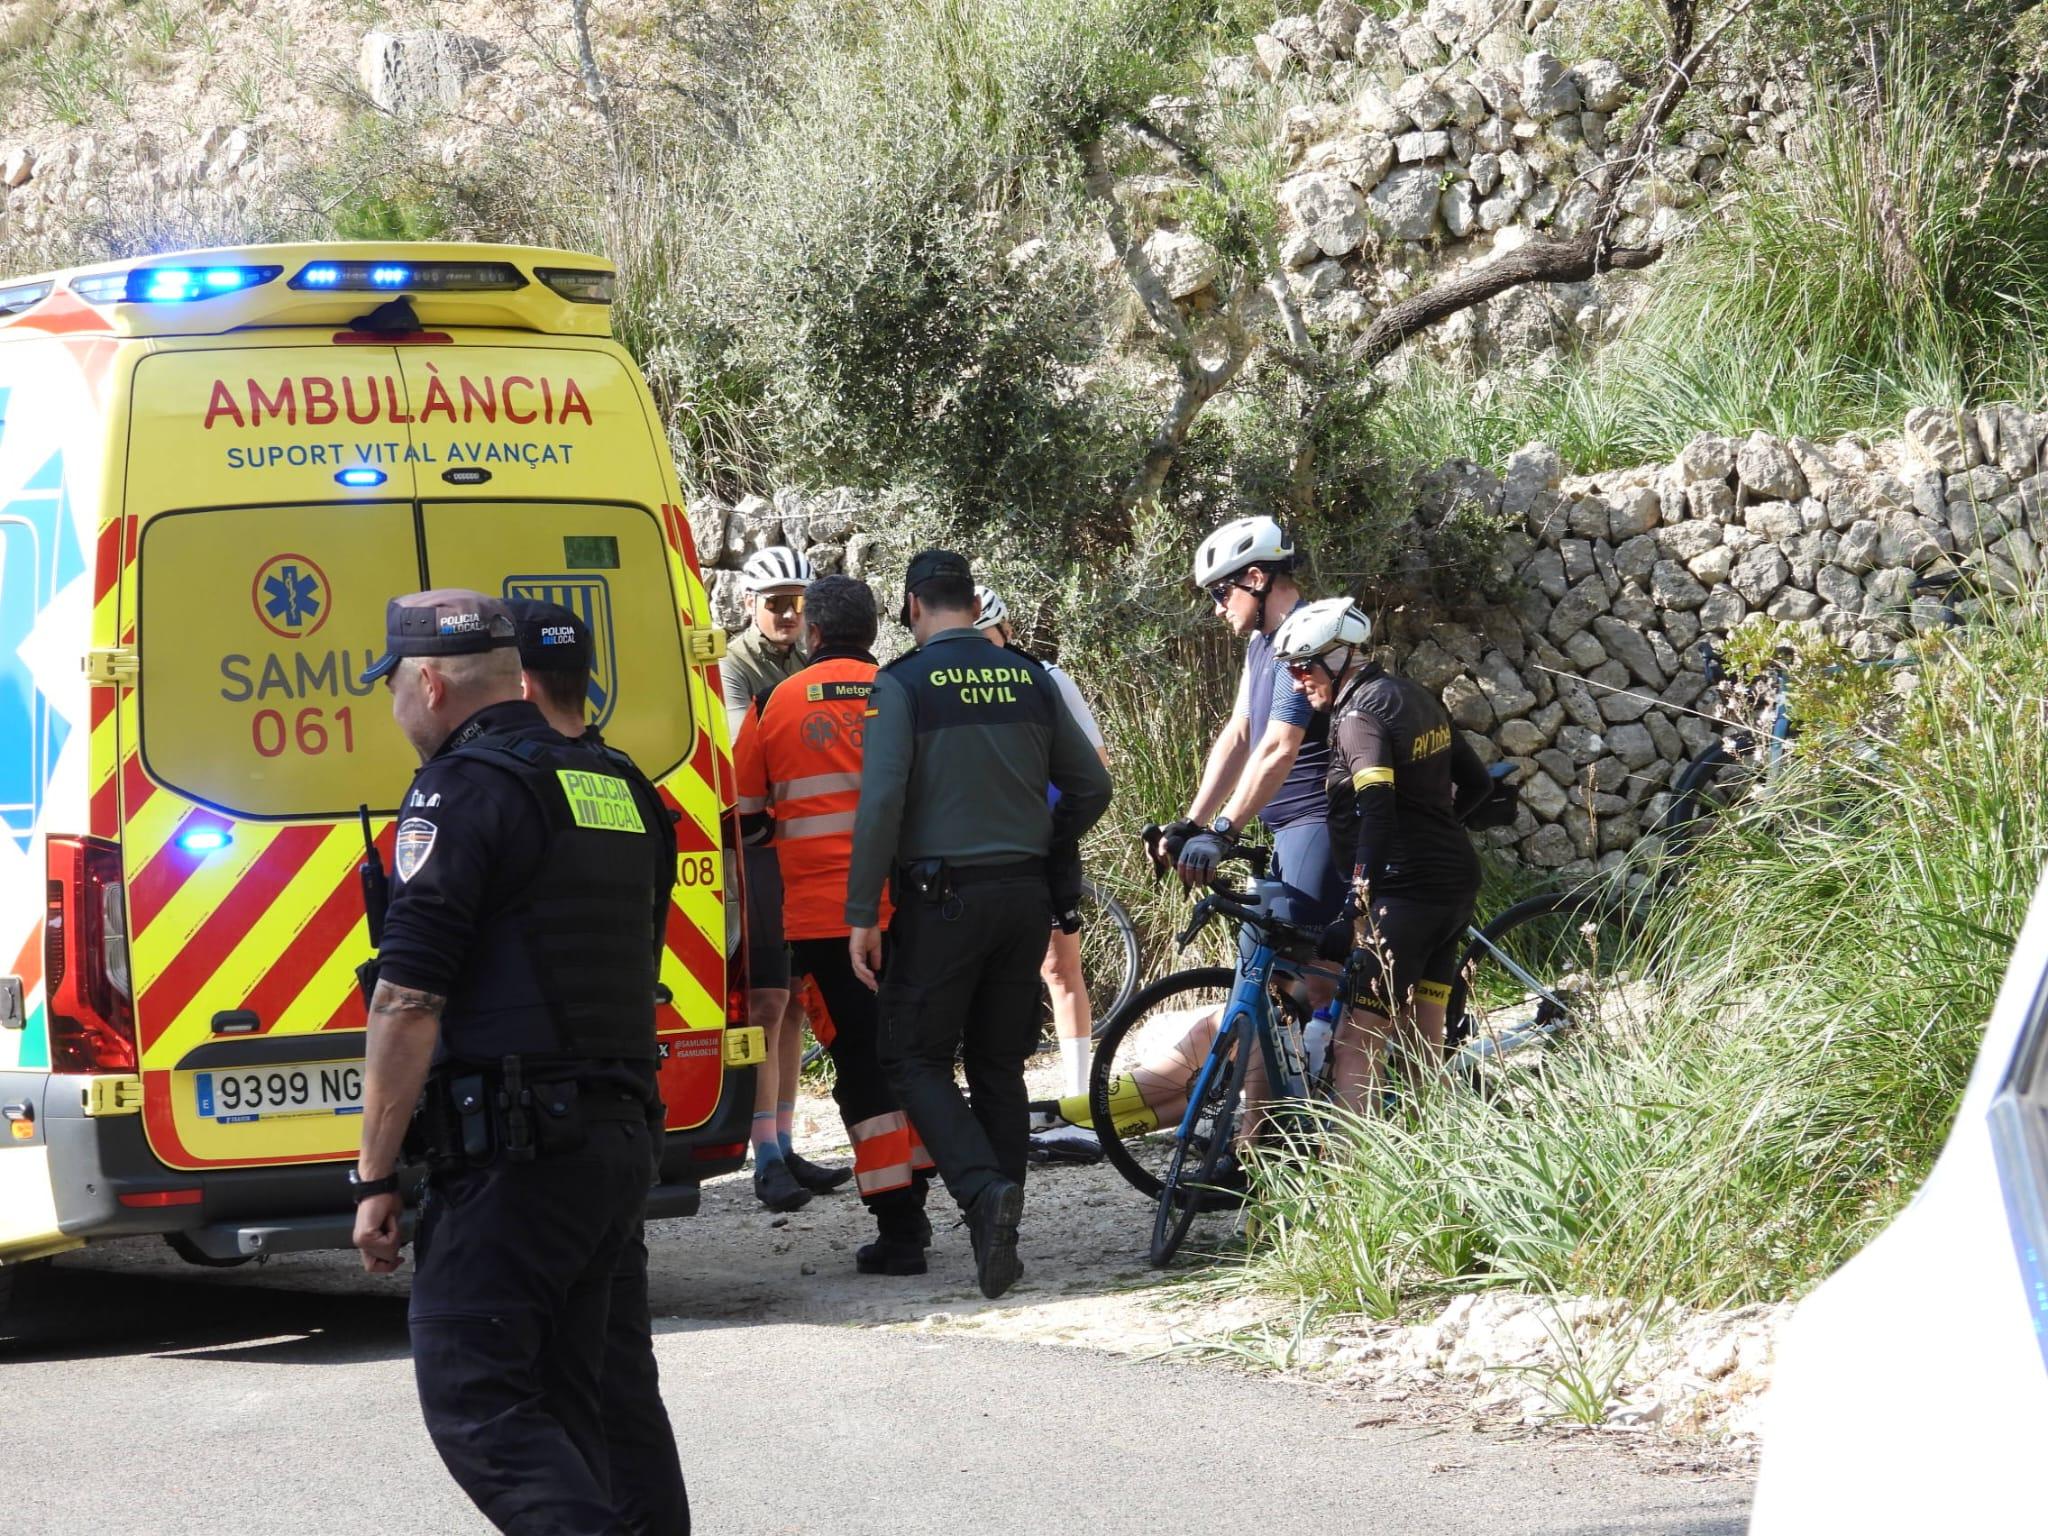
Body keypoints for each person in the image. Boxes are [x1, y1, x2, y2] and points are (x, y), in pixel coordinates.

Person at [350, 590, 683, 1536]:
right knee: (602, 1398)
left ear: (427, 684)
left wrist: (373, 1175)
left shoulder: (459, 790)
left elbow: (407, 1000)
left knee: (476, 1390)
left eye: (393, 688)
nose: (395, 709)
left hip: (517, 1151)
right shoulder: (618, 782)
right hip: (618, 1137)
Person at [845, 550, 1113, 1299]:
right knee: (998, 1064)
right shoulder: (1028, 676)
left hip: (943, 901)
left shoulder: (902, 683)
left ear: (912, 607)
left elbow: (881, 802)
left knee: (912, 1056)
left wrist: (862, 912)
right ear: (971, 602)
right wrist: (1045, 837)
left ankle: (982, 1192)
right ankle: (1002, 1239)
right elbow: (1092, 785)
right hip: (1024, 896)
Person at [508, 596, 690, 1536]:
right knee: (622, 1373)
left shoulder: (509, 786)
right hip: (625, 1106)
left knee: (520, 1384)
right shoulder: (626, 784)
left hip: (540, 1120)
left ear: (517, 681)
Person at [734, 575, 937, 1275]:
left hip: (825, 919)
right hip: (909, 908)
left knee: (860, 1066)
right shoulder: (902, 690)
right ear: (874, 631)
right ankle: (923, 1190)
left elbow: (748, 815)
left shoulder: (776, 702)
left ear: (814, 632)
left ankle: (900, 1225)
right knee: (913, 1053)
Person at [1272, 597, 1491, 1111]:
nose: (1297, 683)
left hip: (1404, 898)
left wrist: (1357, 899)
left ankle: (1349, 1162)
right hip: (1451, 886)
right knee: (1421, 1042)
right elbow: (1478, 783)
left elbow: (1377, 808)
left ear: (1338, 658)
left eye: (1302, 668)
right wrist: (1435, 832)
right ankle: (1439, 1149)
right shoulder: (1412, 695)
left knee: (1357, 1039)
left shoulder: (1357, 718)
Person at [723, 545, 850, 1210]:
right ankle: (763, 1156)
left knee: (798, 1001)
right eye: (775, 604)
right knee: (766, 1003)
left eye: (797, 603)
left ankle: (788, 1144)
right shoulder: (733, 664)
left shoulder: (805, 662)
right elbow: (750, 752)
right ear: (750, 604)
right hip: (757, 849)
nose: (787, 614)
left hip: (798, 849)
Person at [1164, 515, 1344, 925]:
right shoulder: (1260, 643)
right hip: (1286, 828)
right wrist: (1192, 823)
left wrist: (1223, 831)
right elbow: (1240, 735)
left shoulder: (1304, 640)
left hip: (1316, 819)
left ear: (1256, 578)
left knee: (1304, 960)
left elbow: (1279, 747)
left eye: (1221, 592)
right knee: (1264, 951)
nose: (1217, 608)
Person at [972, 584, 1110, 1103]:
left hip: (1045, 844)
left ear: (1007, 631)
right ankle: (1004, 1096)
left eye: (988, 638)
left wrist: (1058, 830)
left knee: (1059, 966)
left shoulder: (1047, 678)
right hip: (985, 848)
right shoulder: (956, 689)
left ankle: (1078, 1096)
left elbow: (1096, 763)